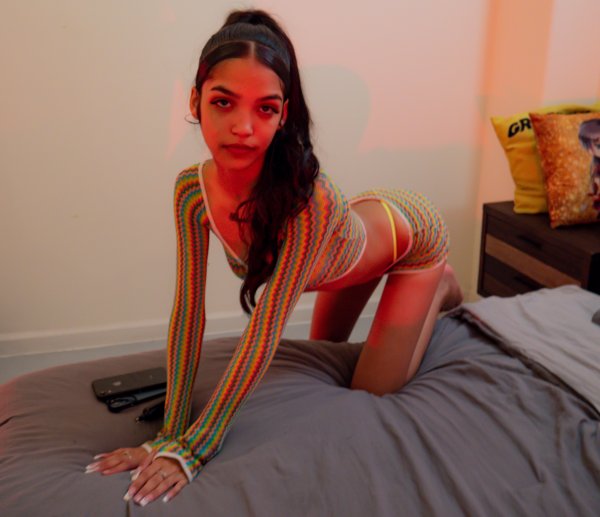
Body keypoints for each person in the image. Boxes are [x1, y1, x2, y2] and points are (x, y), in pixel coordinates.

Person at [85, 9, 463, 505]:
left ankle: (440, 282)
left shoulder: (309, 202)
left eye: (264, 109)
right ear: (195, 101)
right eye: (223, 102)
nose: (243, 127)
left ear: (283, 115)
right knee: (322, 358)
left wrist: (195, 448)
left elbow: (266, 328)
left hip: (410, 239)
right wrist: (168, 434)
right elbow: (188, 313)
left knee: (369, 396)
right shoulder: (191, 193)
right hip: (345, 252)